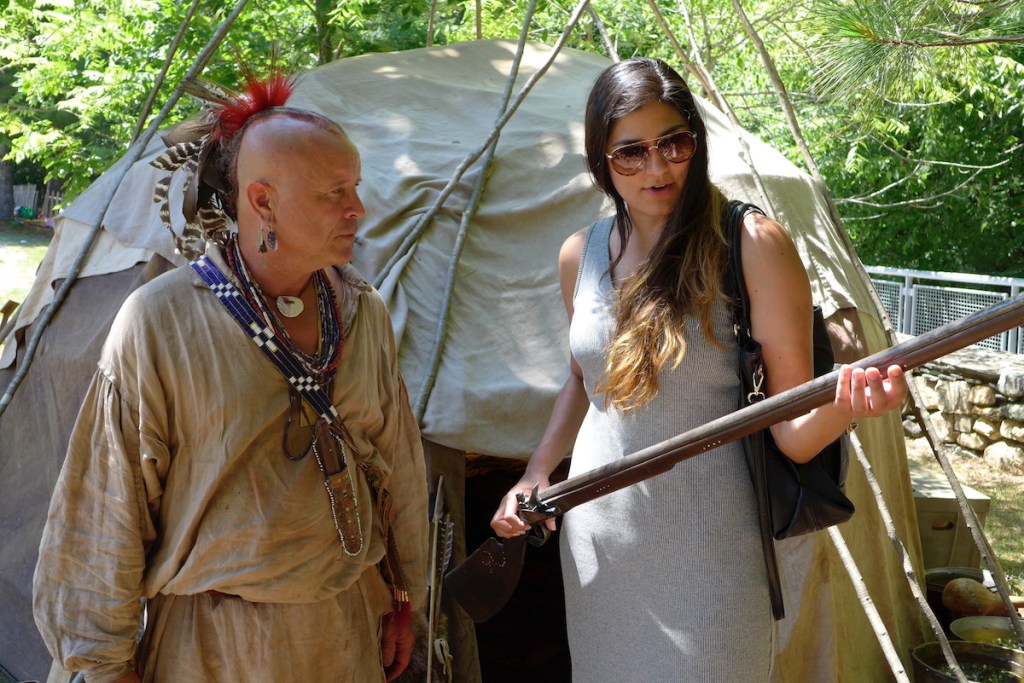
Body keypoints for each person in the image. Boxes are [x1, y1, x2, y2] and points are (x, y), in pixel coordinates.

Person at [490, 57, 909, 681]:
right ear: (600, 159)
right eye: (630, 152)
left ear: (697, 142)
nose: (656, 168)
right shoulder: (579, 255)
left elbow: (791, 434)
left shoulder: (752, 244)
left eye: (673, 143)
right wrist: (536, 472)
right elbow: (584, 379)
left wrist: (849, 405)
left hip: (714, 548)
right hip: (601, 543)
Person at [33, 71, 428, 683]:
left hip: (345, 632)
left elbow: (396, 463)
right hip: (214, 646)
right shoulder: (161, 321)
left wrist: (404, 596)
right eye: (332, 193)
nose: (357, 208)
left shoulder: (362, 312)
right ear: (263, 201)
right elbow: (106, 503)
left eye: (354, 186)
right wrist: (106, 666)